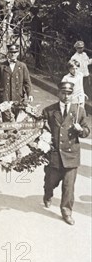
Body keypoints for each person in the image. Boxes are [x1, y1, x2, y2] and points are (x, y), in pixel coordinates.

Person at [42, 81, 90, 225]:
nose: (66, 96)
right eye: (63, 93)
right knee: (51, 182)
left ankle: (66, 211)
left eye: (69, 93)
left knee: (69, 186)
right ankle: (48, 194)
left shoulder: (79, 111)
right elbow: (42, 129)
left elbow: (87, 131)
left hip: (71, 155)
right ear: (58, 93)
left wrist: (80, 130)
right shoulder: (49, 111)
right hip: (55, 154)